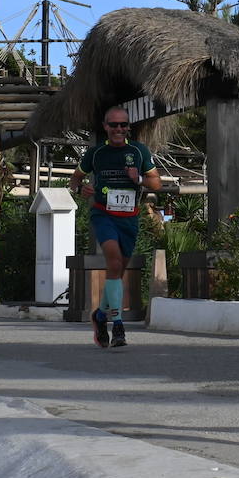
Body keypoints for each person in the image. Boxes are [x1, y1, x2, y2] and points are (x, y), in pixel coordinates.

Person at [68, 107, 161, 348]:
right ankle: (117, 324)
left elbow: (157, 184)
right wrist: (80, 190)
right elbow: (75, 179)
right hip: (103, 213)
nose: (119, 129)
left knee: (118, 271)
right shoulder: (96, 153)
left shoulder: (138, 151)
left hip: (129, 217)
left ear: (128, 127)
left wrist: (138, 179)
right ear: (105, 126)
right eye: (114, 125)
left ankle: (99, 315)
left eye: (123, 125)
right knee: (114, 261)